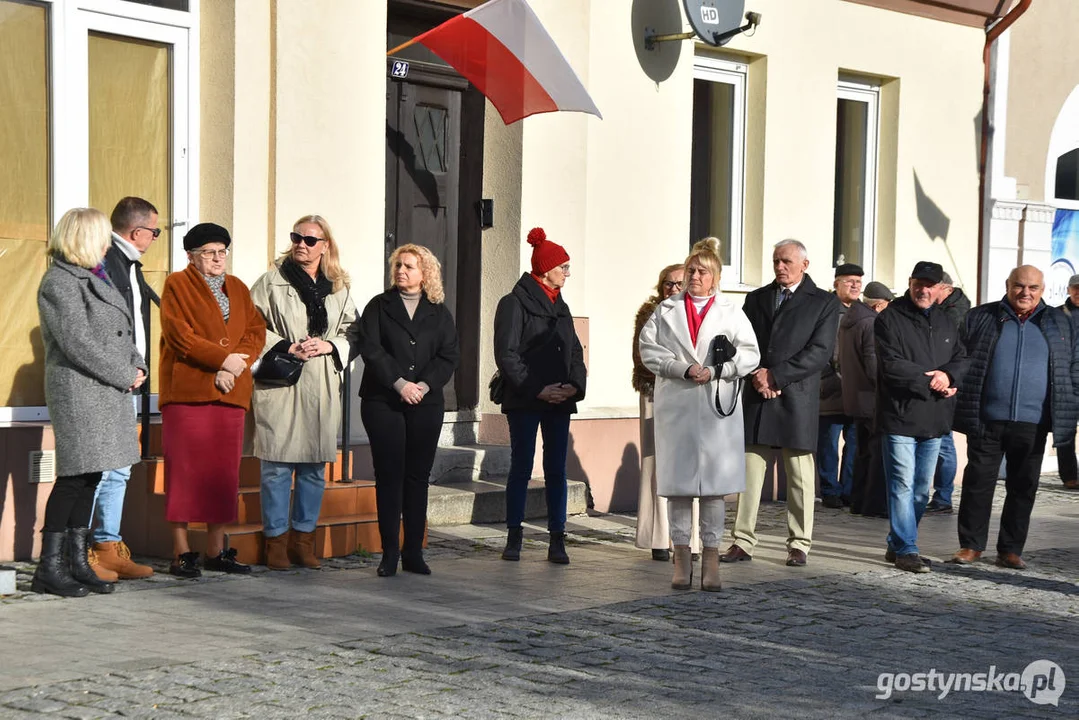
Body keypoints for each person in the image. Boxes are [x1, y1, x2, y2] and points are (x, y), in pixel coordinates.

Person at [32, 207, 146, 597]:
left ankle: (79, 563)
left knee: (93, 475)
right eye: (101, 236)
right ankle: (50, 568)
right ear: (83, 237)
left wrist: (138, 366)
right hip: (81, 392)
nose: (106, 244)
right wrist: (122, 374)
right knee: (73, 478)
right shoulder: (59, 282)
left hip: (106, 391)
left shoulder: (96, 277)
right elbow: (78, 343)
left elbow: (121, 331)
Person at [639, 238, 760, 591]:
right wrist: (680, 368)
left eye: (701, 271)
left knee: (712, 489)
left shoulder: (731, 311)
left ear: (715, 277)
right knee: (678, 487)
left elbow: (751, 355)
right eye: (690, 269)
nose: (693, 276)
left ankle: (710, 558)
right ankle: (681, 557)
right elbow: (648, 350)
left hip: (715, 407)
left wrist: (720, 371)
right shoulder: (665, 311)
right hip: (677, 404)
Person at [722, 239, 841, 568]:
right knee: (749, 472)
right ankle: (742, 541)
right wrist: (758, 375)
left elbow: (819, 352)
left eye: (786, 261)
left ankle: (799, 543)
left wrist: (777, 376)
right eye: (776, 261)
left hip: (796, 396)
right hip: (757, 394)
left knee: (800, 475)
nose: (779, 267)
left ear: (805, 264)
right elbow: (741, 342)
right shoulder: (757, 298)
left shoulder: (824, 303)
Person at [949, 266, 1078, 570]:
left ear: (1042, 290)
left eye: (1033, 288)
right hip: (987, 417)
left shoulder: (1060, 321)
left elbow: (1073, 367)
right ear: (1008, 285)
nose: (1025, 293)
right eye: (1019, 286)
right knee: (978, 483)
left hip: (1034, 422)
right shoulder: (982, 317)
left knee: (1023, 487)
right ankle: (970, 545)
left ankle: (1010, 549)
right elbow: (962, 359)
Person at [159, 223, 266, 578]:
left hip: (230, 393)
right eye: (209, 253)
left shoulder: (237, 287)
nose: (218, 259)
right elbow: (179, 335)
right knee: (185, 472)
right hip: (188, 392)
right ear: (192, 256)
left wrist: (236, 365)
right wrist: (221, 360)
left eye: (222, 252)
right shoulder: (177, 284)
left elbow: (255, 331)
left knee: (223, 475)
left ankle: (216, 550)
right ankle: (181, 552)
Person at [251, 215, 357, 570]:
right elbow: (250, 327)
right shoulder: (271, 282)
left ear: (325, 245)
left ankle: (304, 539)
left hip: (321, 382)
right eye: (297, 237)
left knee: (313, 466)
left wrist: (329, 346)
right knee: (277, 466)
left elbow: (353, 331)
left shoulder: (338, 286)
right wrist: (284, 345)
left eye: (310, 240)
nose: (301, 244)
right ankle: (276, 542)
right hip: (281, 380)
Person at [353, 244, 459, 577]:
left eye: (409, 266)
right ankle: (389, 554)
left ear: (425, 272)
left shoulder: (439, 312)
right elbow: (371, 349)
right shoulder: (379, 306)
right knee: (389, 477)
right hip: (383, 402)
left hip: (425, 404)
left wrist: (423, 386)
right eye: (398, 265)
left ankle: (414, 551)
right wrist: (400, 384)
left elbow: (448, 356)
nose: (401, 270)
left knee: (417, 477)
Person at [494, 227, 587, 565]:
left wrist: (574, 385)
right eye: (563, 266)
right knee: (521, 465)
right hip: (525, 399)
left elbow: (575, 350)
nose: (567, 272)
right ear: (545, 268)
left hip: (560, 400)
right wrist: (537, 388)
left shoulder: (561, 306)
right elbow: (506, 354)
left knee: (556, 469)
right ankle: (514, 534)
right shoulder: (514, 303)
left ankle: (557, 538)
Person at [875, 261, 964, 573]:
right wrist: (933, 380)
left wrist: (950, 377)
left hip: (935, 417)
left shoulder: (947, 321)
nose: (924, 290)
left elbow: (962, 358)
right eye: (918, 283)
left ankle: (897, 543)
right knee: (901, 483)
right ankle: (907, 549)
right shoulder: (889, 318)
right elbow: (891, 365)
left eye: (930, 285)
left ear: (940, 288)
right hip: (899, 416)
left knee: (921, 489)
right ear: (910, 282)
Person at [90, 197, 160, 582]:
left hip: (130, 378)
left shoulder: (130, 264)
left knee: (119, 467)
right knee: (100, 468)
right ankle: (86, 548)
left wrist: (140, 367)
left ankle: (108, 545)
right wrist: (124, 368)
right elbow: (104, 327)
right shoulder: (106, 261)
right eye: (155, 231)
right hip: (109, 381)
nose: (155, 237)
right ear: (137, 232)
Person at [632, 263, 701, 561]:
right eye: (667, 284)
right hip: (656, 394)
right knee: (656, 464)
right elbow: (642, 358)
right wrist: (674, 370)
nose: (673, 289)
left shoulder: (698, 314)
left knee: (689, 466)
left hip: (689, 397)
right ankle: (658, 537)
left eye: (679, 284)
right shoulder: (649, 315)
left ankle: (691, 540)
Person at [838, 280, 894, 518]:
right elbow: (874, 367)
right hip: (872, 400)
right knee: (876, 455)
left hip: (854, 397)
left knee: (861, 453)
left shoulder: (849, 320)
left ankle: (858, 502)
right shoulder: (871, 324)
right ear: (879, 305)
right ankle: (874, 505)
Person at [927, 271, 972, 514]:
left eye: (933, 287)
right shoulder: (950, 309)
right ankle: (941, 496)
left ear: (945, 289)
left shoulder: (955, 314)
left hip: (949, 384)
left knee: (944, 441)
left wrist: (948, 378)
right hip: (941, 382)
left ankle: (943, 496)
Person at [818, 263, 862, 509]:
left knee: (855, 442)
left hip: (856, 391)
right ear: (836, 284)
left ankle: (849, 489)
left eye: (858, 281)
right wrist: (828, 377)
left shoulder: (862, 312)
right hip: (830, 388)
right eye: (849, 281)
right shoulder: (825, 310)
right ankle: (829, 490)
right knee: (828, 444)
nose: (855, 285)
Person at [1055, 273, 1079, 491]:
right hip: (1066, 383)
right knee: (1065, 433)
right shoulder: (1057, 315)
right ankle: (1069, 476)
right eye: (1076, 288)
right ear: (1069, 290)